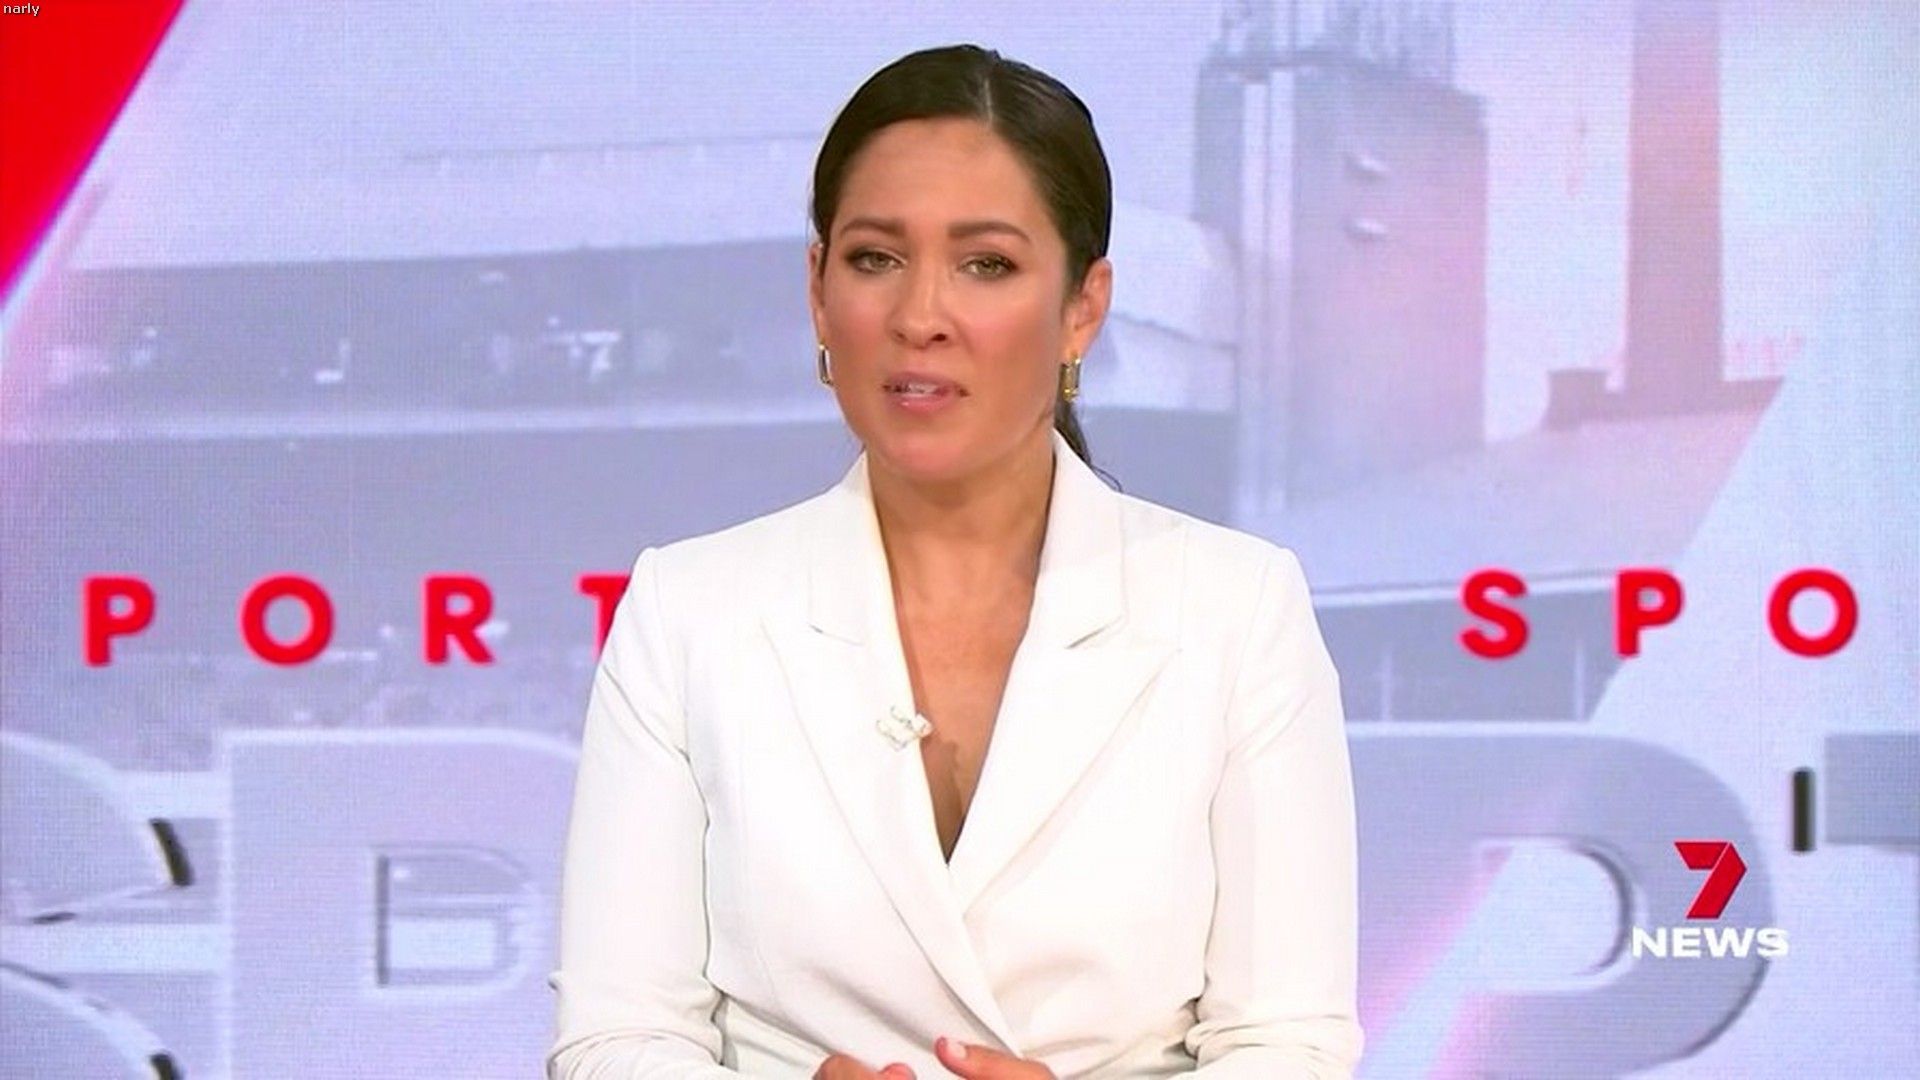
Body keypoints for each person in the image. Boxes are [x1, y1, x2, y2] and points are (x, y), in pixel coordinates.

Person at [546, 44, 1361, 1080]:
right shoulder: (687, 611)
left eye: (986, 265)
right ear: (818, 290)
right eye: (875, 259)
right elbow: (616, 1038)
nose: (919, 317)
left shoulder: (1237, 610)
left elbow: (1288, 1044)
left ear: (1083, 307)